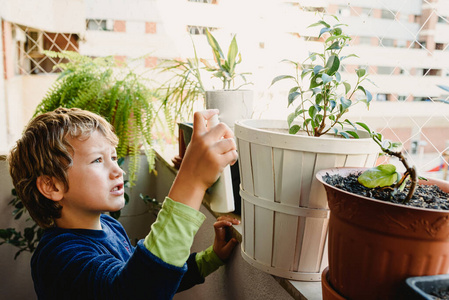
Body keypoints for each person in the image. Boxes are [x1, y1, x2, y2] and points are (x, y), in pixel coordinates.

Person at [8, 107, 240, 300]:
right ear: (52, 186)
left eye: (114, 157)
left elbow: (148, 277)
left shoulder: (110, 227)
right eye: (98, 160)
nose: (117, 170)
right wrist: (192, 181)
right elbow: (134, 291)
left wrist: (211, 258)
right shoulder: (58, 257)